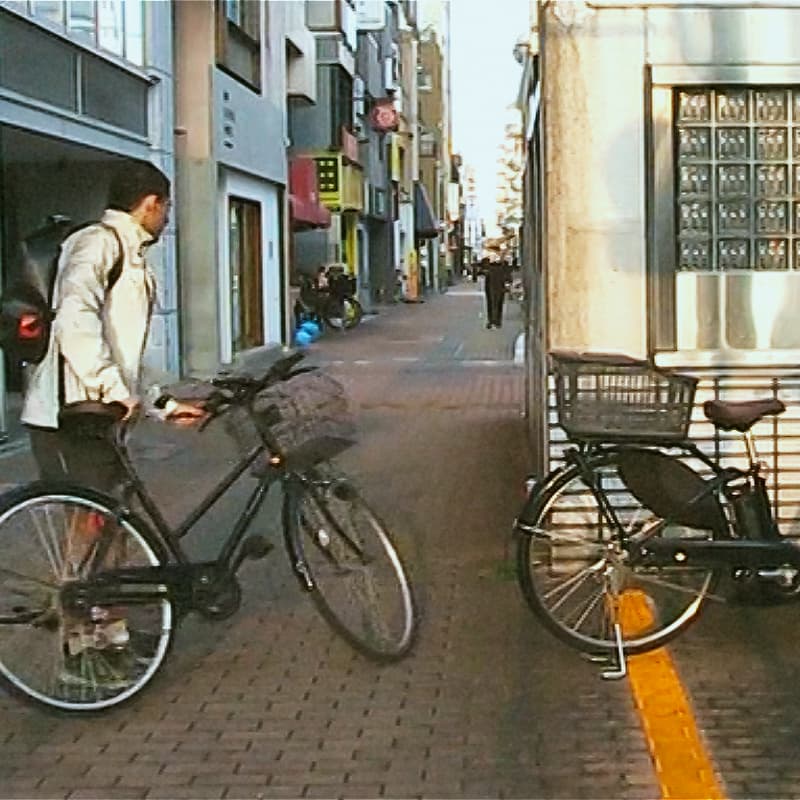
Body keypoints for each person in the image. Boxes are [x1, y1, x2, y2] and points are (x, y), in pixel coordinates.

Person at [21, 160, 204, 685]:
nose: (166, 218)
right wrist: (111, 388)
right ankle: (79, 654)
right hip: (67, 418)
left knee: (111, 529)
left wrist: (160, 402)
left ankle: (111, 638)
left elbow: (122, 352)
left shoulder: (130, 255)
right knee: (87, 532)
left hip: (98, 416)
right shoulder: (97, 243)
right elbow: (75, 319)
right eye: (165, 207)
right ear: (150, 203)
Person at [481, 257, 507, 329]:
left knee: (491, 304)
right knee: (498, 304)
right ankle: (497, 321)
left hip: (491, 288)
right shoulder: (502, 269)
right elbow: (507, 279)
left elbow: (483, 274)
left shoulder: (490, 270)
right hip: (499, 288)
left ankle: (492, 321)